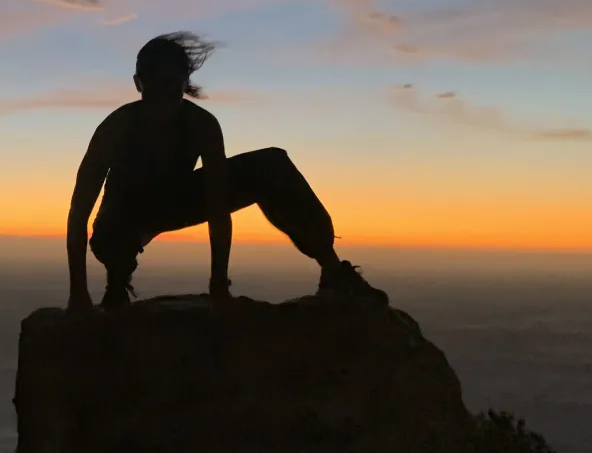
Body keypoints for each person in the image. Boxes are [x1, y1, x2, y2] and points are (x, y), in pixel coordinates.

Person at [65, 31, 389, 311]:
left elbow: (218, 205)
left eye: (172, 85)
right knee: (110, 239)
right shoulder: (116, 128)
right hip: (126, 210)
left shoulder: (201, 125)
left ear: (184, 84)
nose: (164, 96)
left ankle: (332, 269)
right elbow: (79, 212)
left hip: (177, 198)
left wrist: (219, 285)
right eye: (155, 85)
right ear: (139, 84)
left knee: (272, 164)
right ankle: (116, 288)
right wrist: (78, 293)